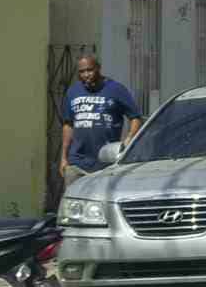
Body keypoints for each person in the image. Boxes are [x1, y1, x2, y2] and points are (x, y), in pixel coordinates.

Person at [57, 49, 142, 189]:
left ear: (98, 68)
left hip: (106, 164)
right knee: (74, 205)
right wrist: (63, 157)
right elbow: (68, 125)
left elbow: (135, 117)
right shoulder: (72, 92)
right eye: (81, 72)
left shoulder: (115, 89)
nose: (86, 75)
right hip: (76, 164)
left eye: (89, 70)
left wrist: (128, 140)